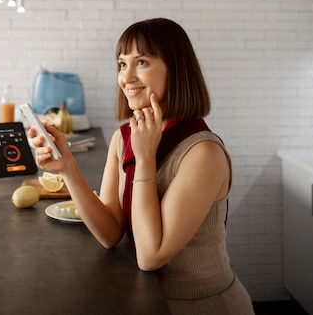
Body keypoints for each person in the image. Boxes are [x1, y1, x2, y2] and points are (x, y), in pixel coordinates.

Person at [30, 18, 254, 315]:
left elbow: (150, 256)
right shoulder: (123, 139)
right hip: (147, 302)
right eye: (122, 64)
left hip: (205, 305)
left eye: (142, 62)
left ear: (176, 69)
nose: (126, 76)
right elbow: (110, 233)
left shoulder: (203, 153)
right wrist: (68, 167)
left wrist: (146, 160)